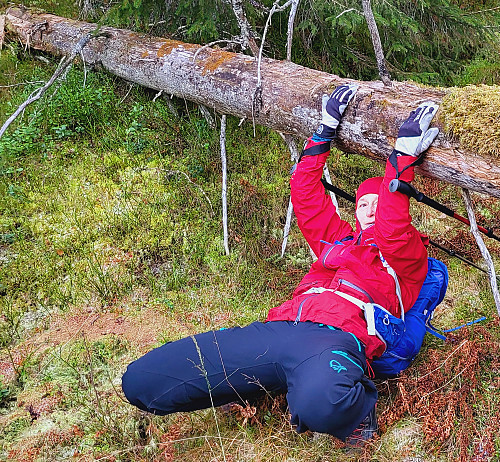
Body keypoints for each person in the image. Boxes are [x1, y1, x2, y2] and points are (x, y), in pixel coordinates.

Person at [121, 84, 441, 443]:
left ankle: (357, 413)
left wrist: (400, 162)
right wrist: (323, 134)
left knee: (321, 404)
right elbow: (305, 196)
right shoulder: (338, 241)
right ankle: (257, 384)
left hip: (338, 338)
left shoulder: (405, 255)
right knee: (141, 381)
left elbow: (393, 228)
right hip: (282, 328)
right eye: (363, 204)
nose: (370, 209)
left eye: (377, 202)